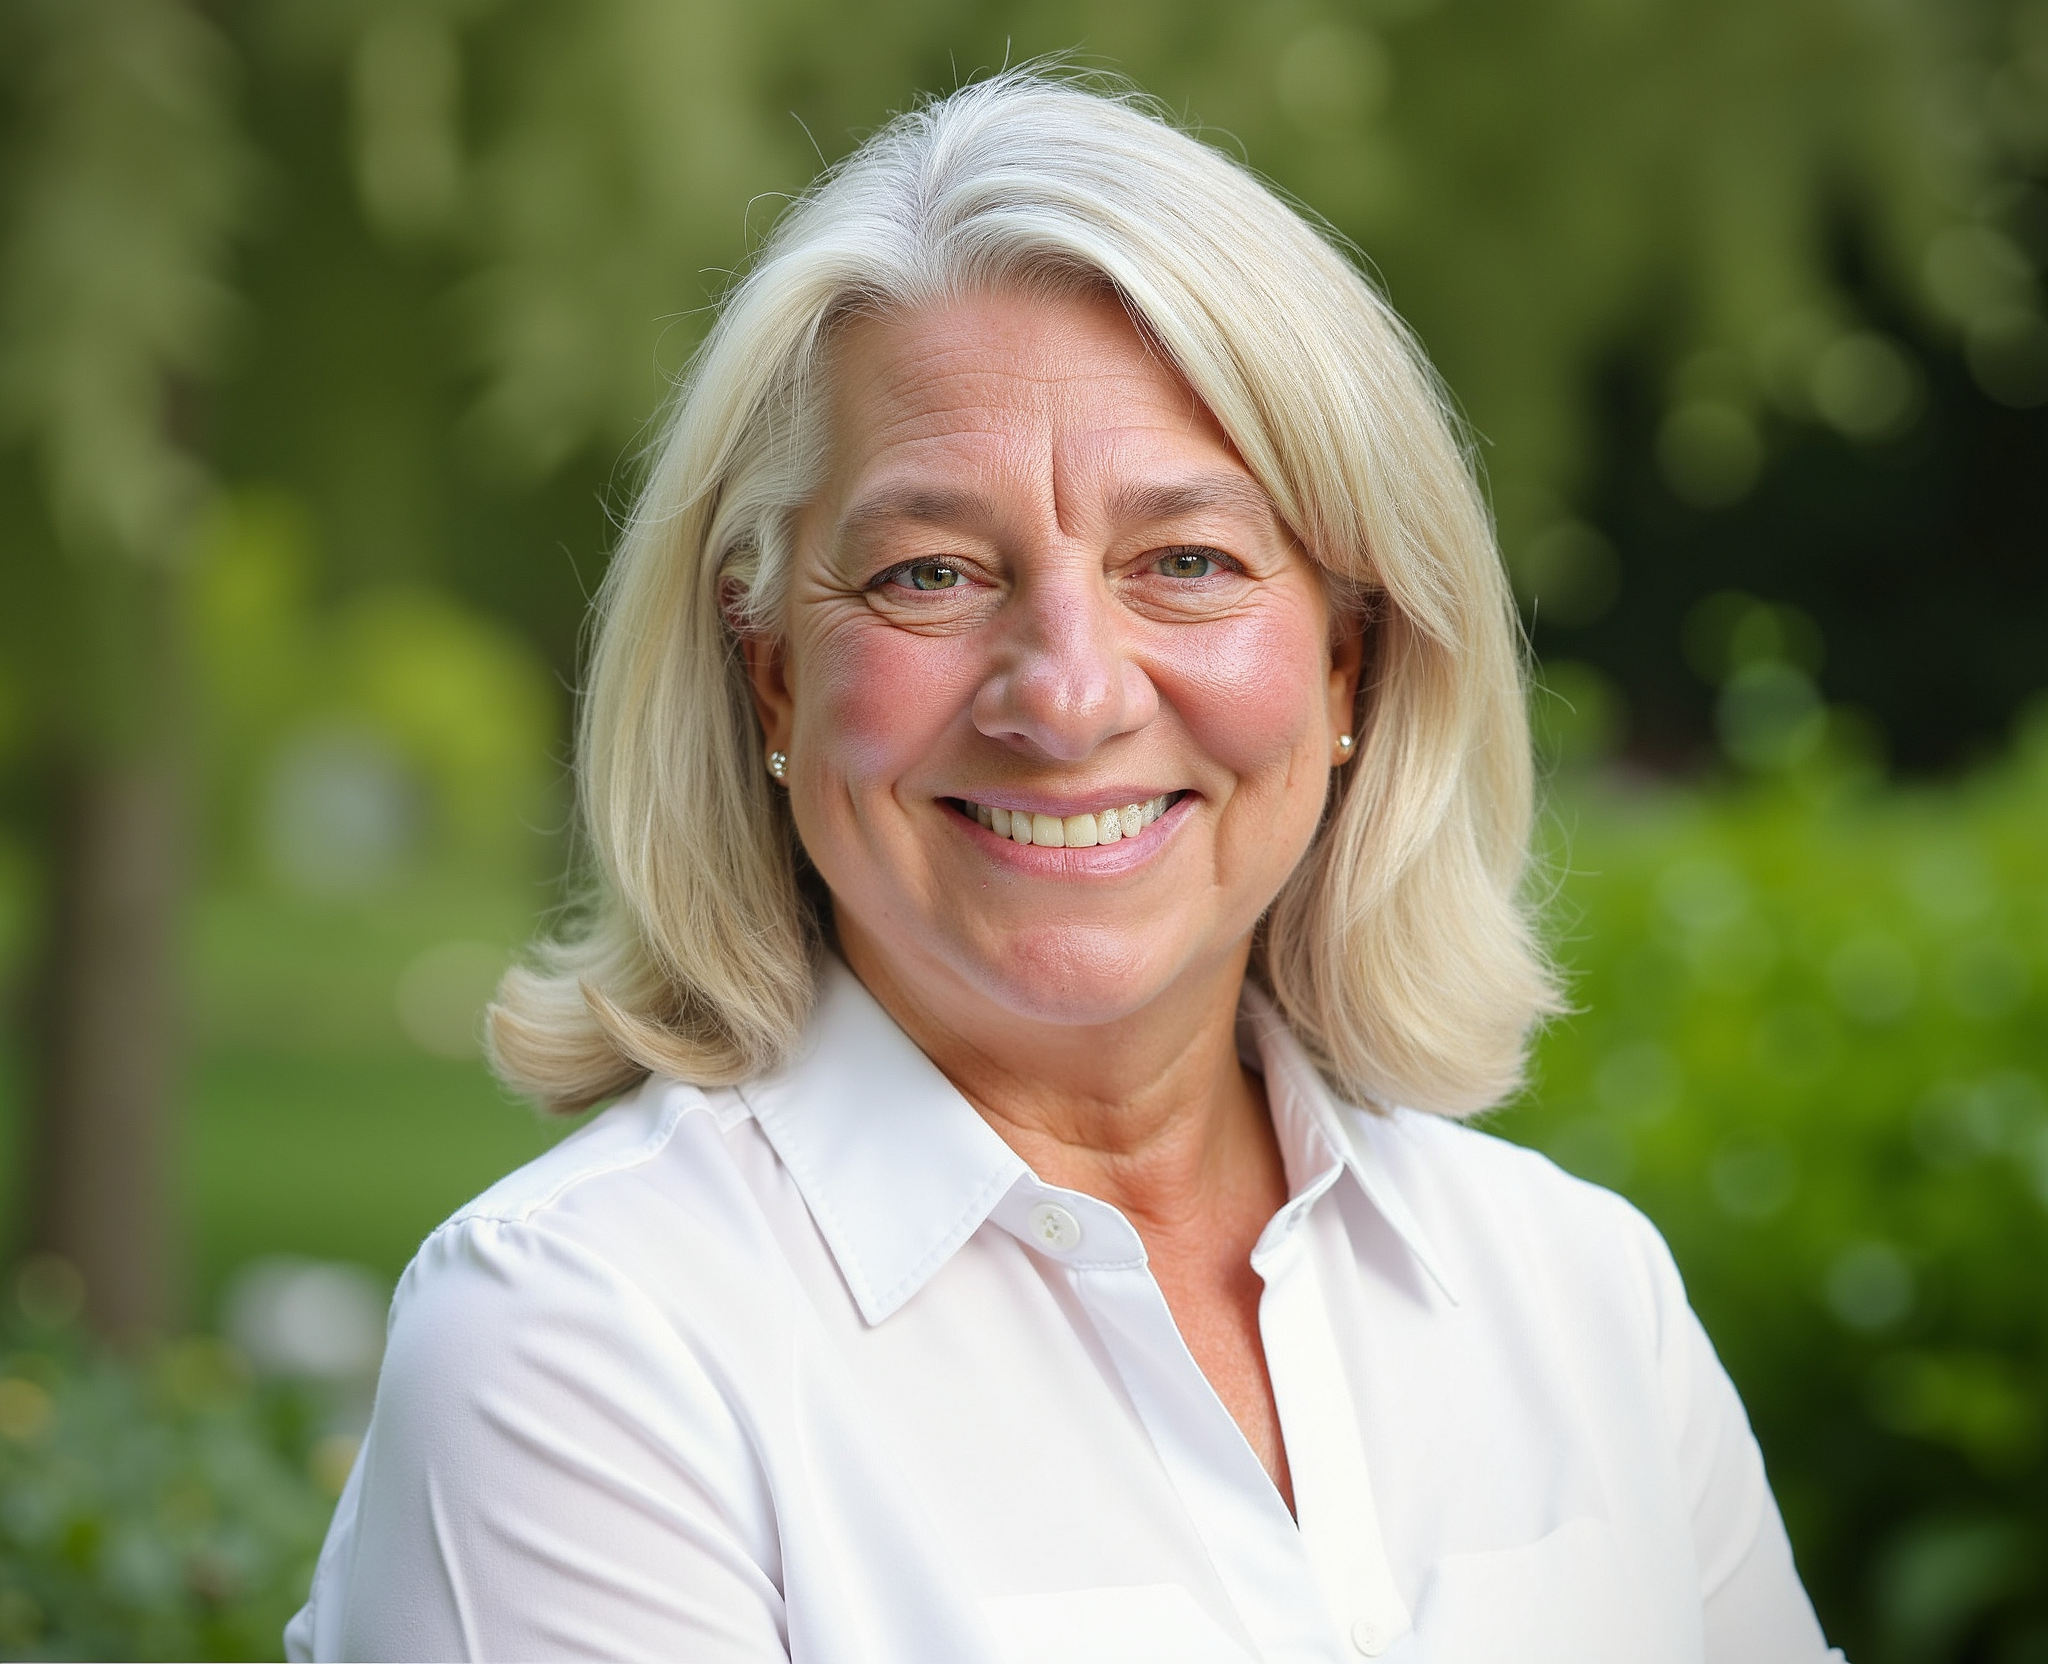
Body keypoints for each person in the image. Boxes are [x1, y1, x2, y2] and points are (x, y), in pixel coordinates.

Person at [287, 72, 1842, 1664]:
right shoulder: (582, 1341)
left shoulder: (1578, 1294)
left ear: (1349, 666)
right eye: (932, 574)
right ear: (770, 675)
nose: (1070, 692)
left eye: (1187, 562)